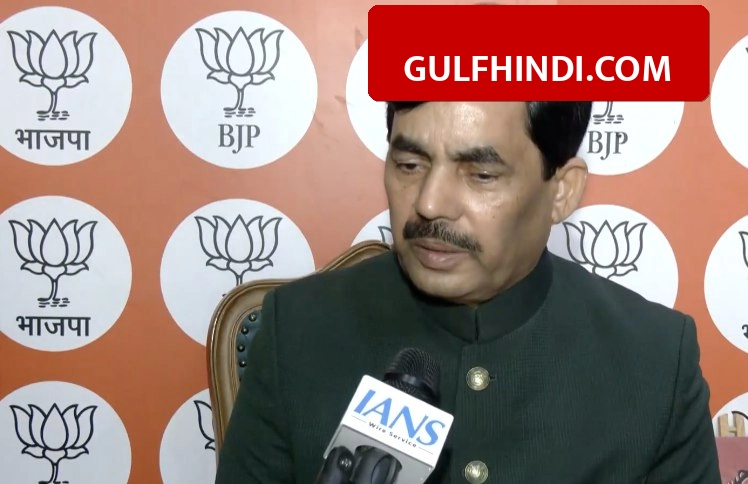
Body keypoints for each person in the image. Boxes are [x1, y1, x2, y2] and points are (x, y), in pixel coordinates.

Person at [214, 101, 721, 483]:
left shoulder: (656, 360)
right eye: (409, 165)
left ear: (562, 190)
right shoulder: (298, 330)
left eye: (480, 174)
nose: (429, 203)